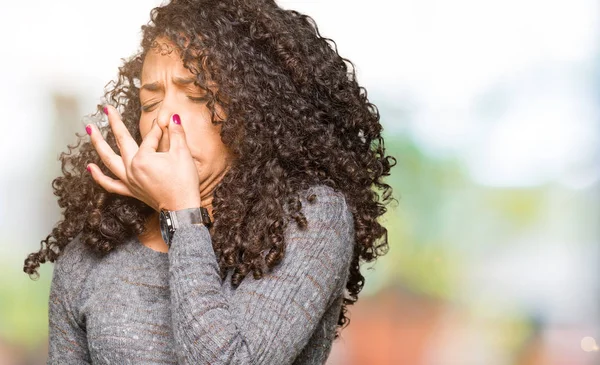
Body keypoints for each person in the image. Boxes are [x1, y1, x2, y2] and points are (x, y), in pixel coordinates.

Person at [23, 0, 396, 363]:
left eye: (196, 94)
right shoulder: (93, 254)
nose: (165, 117)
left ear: (255, 109)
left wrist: (183, 215)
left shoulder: (309, 218)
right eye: (150, 103)